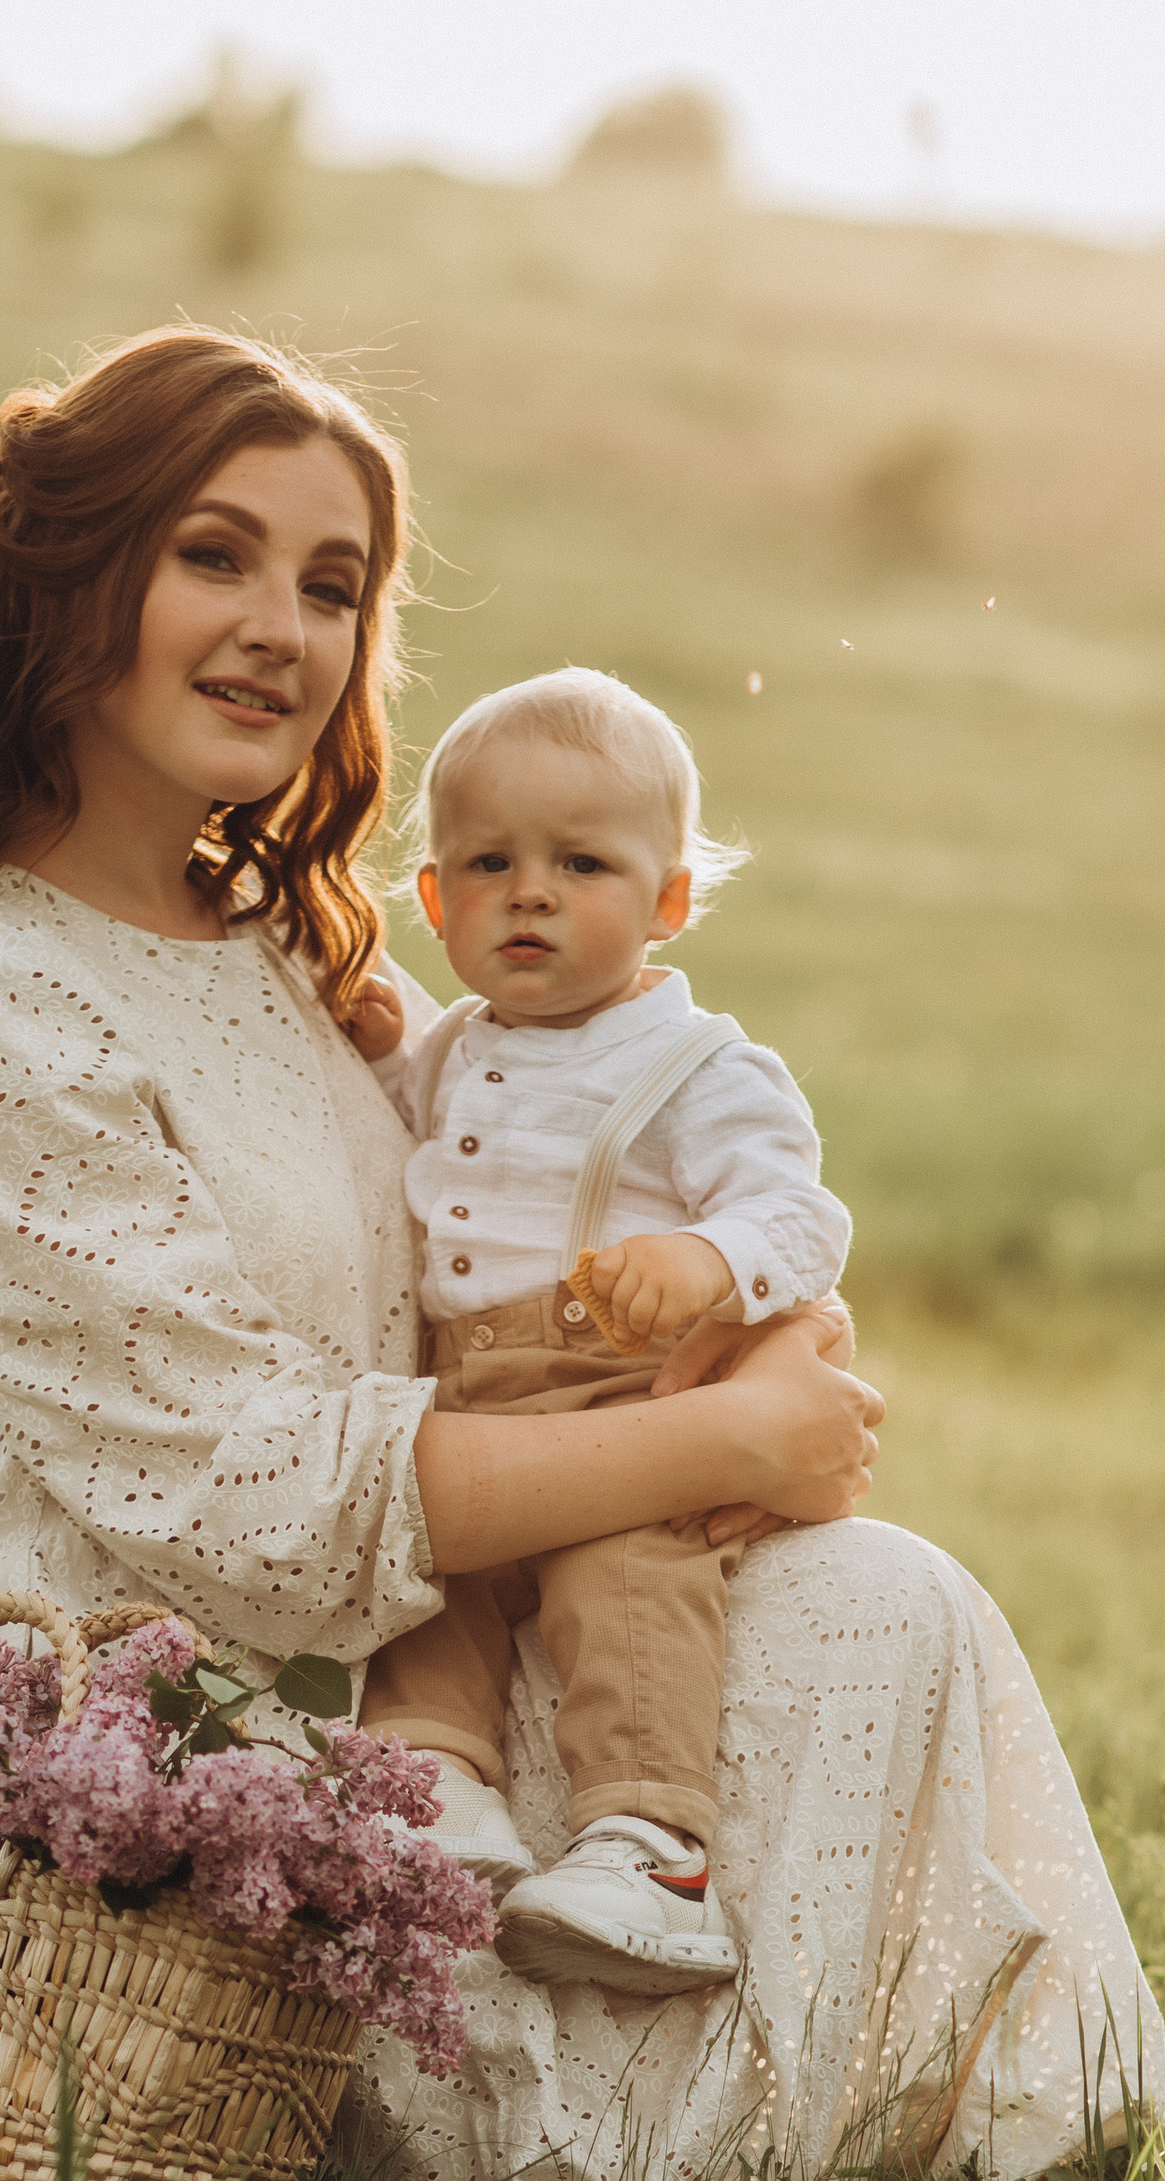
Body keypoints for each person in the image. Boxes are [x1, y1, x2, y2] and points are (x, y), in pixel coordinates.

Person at [0, 321, 1164, 2181]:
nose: (284, 628)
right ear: (73, 574)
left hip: (415, 1622)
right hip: (137, 1707)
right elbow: (255, 1517)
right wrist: (715, 1442)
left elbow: (544, 1179)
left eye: (333, 587)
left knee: (882, 1604)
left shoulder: (285, 950)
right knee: (534, 2152)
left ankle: (812, 2126)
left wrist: (751, 1330)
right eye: (216, 556)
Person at [349, 669, 850, 2000]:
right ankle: (438, 1788)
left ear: (670, 899)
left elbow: (798, 1216)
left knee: (627, 1592)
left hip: (618, 1404)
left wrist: (707, 1261)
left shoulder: (697, 1068)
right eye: (489, 863)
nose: (531, 892)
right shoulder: (451, 1051)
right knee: (421, 1589)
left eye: (583, 863)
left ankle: (649, 1847)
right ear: (438, 901)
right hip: (462, 1402)